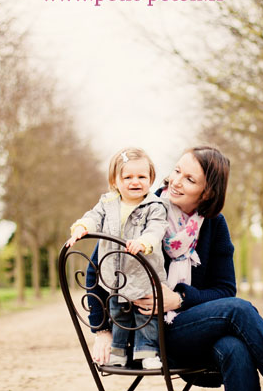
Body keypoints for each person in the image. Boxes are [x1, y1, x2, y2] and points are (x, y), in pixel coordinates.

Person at [85, 146, 263, 390]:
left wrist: (179, 299)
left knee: (234, 348)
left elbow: (225, 290)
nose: (176, 182)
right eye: (177, 171)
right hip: (145, 335)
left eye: (190, 179)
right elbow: (95, 269)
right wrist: (101, 330)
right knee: (241, 310)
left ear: (207, 193)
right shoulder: (143, 209)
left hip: (189, 331)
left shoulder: (214, 224)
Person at [67, 147, 168, 370]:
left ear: (151, 178)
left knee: (145, 315)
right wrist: (83, 227)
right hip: (115, 277)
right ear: (115, 180)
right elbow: (93, 217)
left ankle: (148, 351)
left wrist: (144, 242)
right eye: (128, 177)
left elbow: (157, 229)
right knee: (118, 313)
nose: (135, 182)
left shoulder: (155, 205)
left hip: (144, 275)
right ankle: (119, 351)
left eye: (142, 177)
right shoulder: (107, 203)